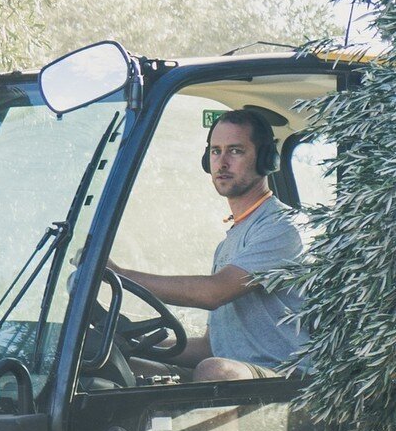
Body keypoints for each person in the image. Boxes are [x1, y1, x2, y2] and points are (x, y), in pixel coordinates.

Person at [110, 108, 309, 381]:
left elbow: (212, 293)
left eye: (235, 151)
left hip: (288, 381)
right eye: (216, 151)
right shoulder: (230, 242)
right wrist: (132, 344)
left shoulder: (283, 227)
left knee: (216, 372)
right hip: (239, 376)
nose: (222, 162)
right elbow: (210, 346)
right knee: (120, 367)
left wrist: (119, 276)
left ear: (265, 159)